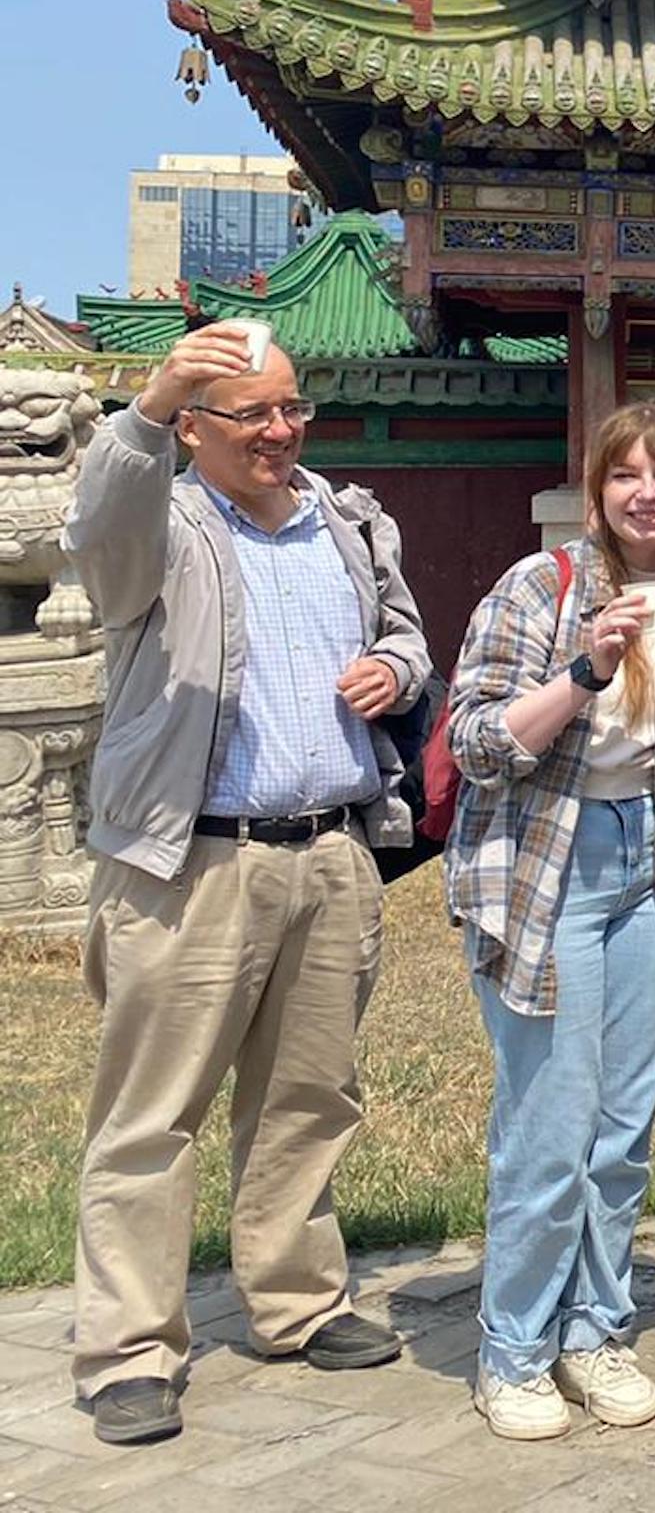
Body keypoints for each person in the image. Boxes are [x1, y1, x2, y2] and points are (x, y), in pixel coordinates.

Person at [63, 322, 429, 1447]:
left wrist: (396, 668)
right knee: (151, 1113)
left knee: (309, 1097)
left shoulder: (350, 521)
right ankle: (129, 1348)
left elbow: (408, 633)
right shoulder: (161, 525)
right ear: (196, 428)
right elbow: (99, 542)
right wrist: (148, 407)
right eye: (253, 415)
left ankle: (298, 1298)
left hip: (329, 849)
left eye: (292, 409)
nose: (281, 431)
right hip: (190, 858)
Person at [443, 403, 655, 1439]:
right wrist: (583, 672)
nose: (648, 493)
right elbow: (474, 742)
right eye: (627, 475)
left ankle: (595, 1332)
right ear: (597, 487)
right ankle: (512, 1350)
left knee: (621, 1135)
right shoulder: (541, 589)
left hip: (645, 877)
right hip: (545, 875)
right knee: (549, 1129)